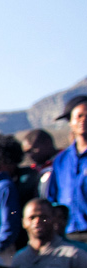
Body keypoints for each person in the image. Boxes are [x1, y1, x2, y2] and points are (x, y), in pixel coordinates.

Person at [45, 95, 87, 240]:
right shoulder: (61, 160)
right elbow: (53, 196)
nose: (83, 120)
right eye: (79, 116)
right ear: (70, 122)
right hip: (68, 232)